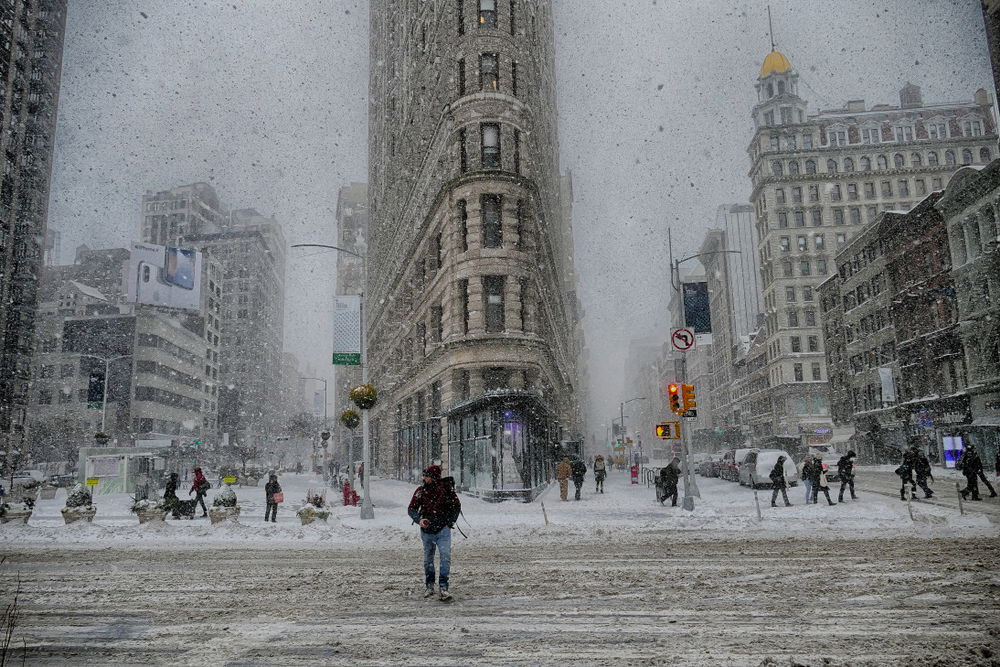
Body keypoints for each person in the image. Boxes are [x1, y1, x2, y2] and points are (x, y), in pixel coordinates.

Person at [407, 465, 461, 601]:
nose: (424, 478)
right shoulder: (421, 491)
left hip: (443, 530)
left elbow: (456, 506)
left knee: (445, 558)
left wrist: (450, 523)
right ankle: (429, 586)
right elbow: (411, 509)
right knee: (428, 560)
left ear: (433, 477)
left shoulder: (446, 490)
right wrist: (419, 520)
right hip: (427, 531)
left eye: (426, 476)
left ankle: (443, 587)